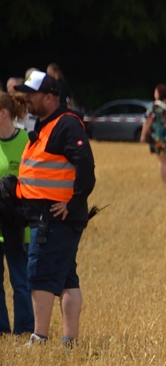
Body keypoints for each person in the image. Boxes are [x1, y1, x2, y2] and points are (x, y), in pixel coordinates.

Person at [14, 70, 95, 346]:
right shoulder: (46, 124)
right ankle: (69, 342)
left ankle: (39, 338)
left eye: (31, 94)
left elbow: (86, 166)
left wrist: (72, 203)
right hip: (48, 216)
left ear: (49, 97)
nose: (26, 99)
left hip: (54, 218)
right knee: (67, 278)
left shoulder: (66, 125)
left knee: (40, 275)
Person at [0, 92, 35, 335]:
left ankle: (24, 329)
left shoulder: (25, 141)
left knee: (21, 282)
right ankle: (2, 329)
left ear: (3, 113)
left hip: (18, 226)